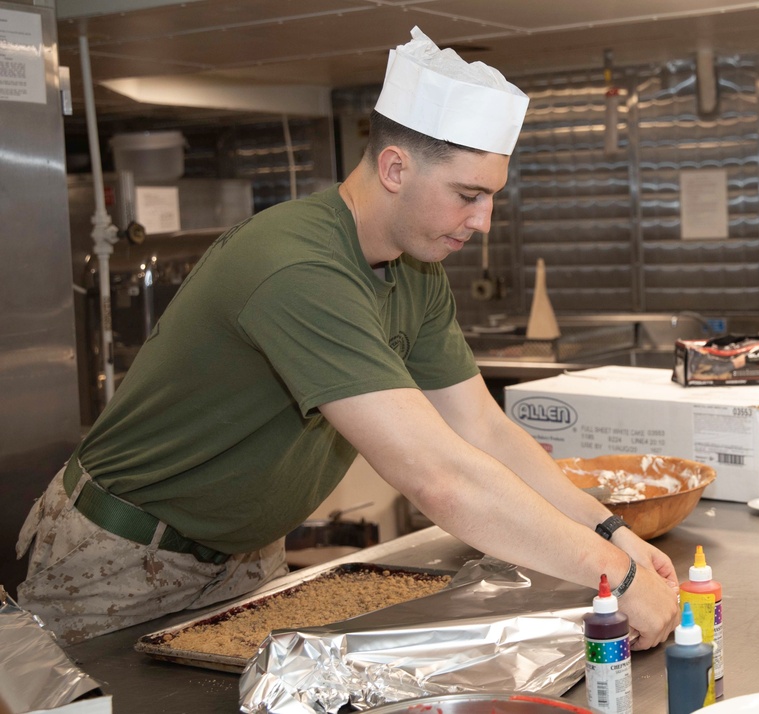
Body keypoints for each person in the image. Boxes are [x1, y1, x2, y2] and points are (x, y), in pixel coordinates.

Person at [16, 27, 681, 648]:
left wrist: (610, 529)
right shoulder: (298, 267)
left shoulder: (415, 269)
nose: (482, 222)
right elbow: (438, 477)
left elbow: (483, 428)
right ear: (395, 168)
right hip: (119, 556)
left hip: (244, 556)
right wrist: (611, 577)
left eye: (490, 198)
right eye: (467, 196)